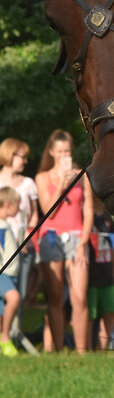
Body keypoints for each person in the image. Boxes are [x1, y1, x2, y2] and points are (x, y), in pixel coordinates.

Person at [35, 129, 93, 353]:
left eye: (67, 151)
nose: (63, 155)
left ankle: (81, 351)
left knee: (79, 297)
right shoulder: (42, 177)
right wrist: (60, 181)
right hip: (51, 237)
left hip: (77, 237)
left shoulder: (82, 175)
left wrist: (83, 242)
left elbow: (88, 210)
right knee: (55, 295)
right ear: (51, 152)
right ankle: (58, 349)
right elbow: (48, 212)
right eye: (59, 151)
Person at [0, 138, 39, 332]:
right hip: (2, 249)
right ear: (10, 155)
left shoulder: (28, 184)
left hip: (23, 248)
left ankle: (14, 336)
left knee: (20, 294)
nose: (25, 162)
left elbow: (34, 218)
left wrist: (27, 241)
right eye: (22, 157)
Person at [87, 195, 114, 350]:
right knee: (90, 313)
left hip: (107, 271)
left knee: (111, 310)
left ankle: (102, 348)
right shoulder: (86, 214)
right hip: (90, 273)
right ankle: (86, 348)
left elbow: (113, 248)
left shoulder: (108, 218)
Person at [0, 187, 21, 356]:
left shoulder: (5, 225)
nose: (19, 209)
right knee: (13, 298)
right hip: (3, 274)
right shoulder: (1, 226)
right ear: (8, 205)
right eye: (17, 205)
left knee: (1, 310)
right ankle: (5, 337)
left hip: (10, 274)